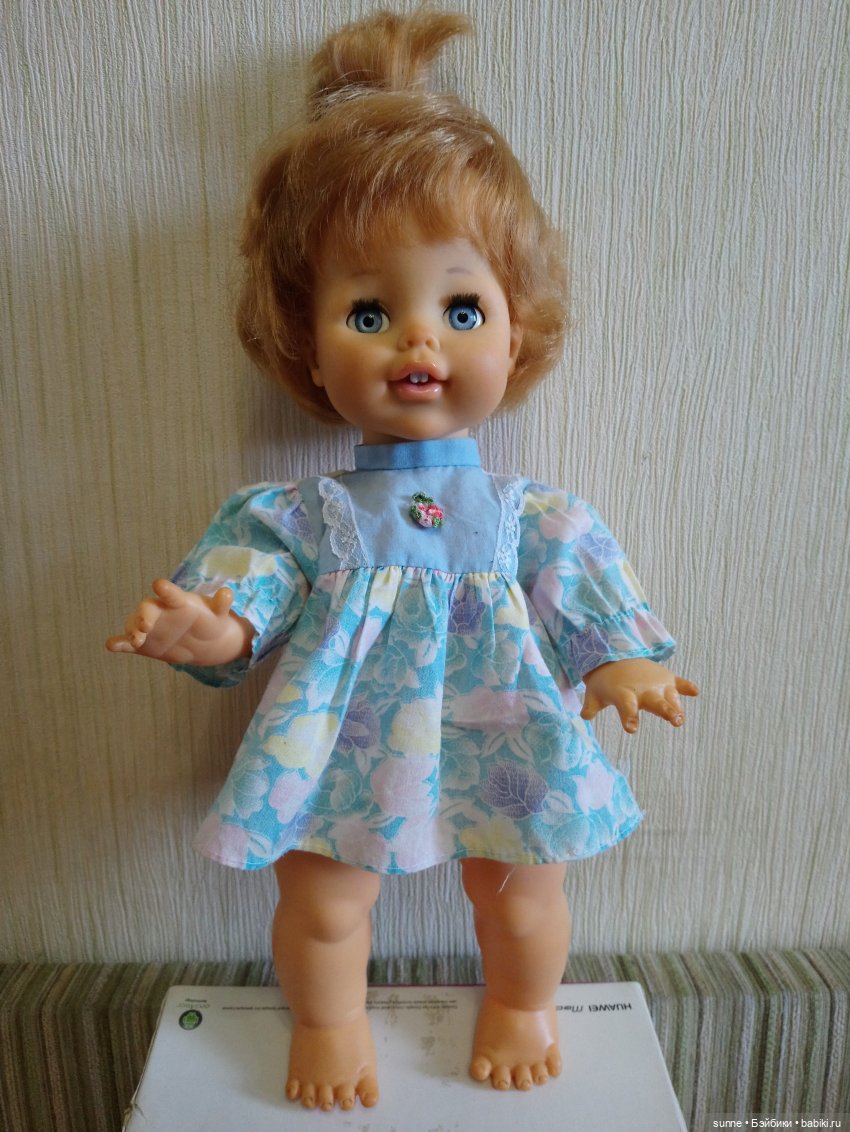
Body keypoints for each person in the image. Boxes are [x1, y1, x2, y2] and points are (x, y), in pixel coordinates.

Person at [107, 8, 698, 1113]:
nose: (418, 338)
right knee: (323, 901)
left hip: (507, 731)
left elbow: (581, 589)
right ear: (306, 340)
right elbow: (251, 596)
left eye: (461, 306)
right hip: (338, 748)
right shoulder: (303, 513)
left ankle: (522, 1002)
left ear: (515, 331)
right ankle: (327, 1021)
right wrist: (212, 629)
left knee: (521, 892)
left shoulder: (528, 514)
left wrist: (622, 662)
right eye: (370, 309)